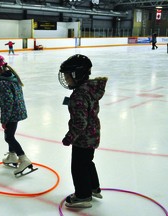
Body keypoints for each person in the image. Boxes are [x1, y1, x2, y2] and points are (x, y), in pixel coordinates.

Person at [58, 54, 108, 208]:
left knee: (78, 166)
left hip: (83, 138)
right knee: (87, 162)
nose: (66, 80)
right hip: (92, 135)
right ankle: (93, 188)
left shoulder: (79, 95)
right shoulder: (88, 89)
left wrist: (69, 137)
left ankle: (82, 195)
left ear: (78, 75)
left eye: (68, 76)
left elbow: (80, 123)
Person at [0, 54, 35, 176]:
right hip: (18, 111)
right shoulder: (11, 77)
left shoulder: (3, 83)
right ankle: (12, 156)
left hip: (12, 113)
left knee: (8, 137)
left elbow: (7, 103)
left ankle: (23, 159)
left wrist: (4, 120)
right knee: (10, 134)